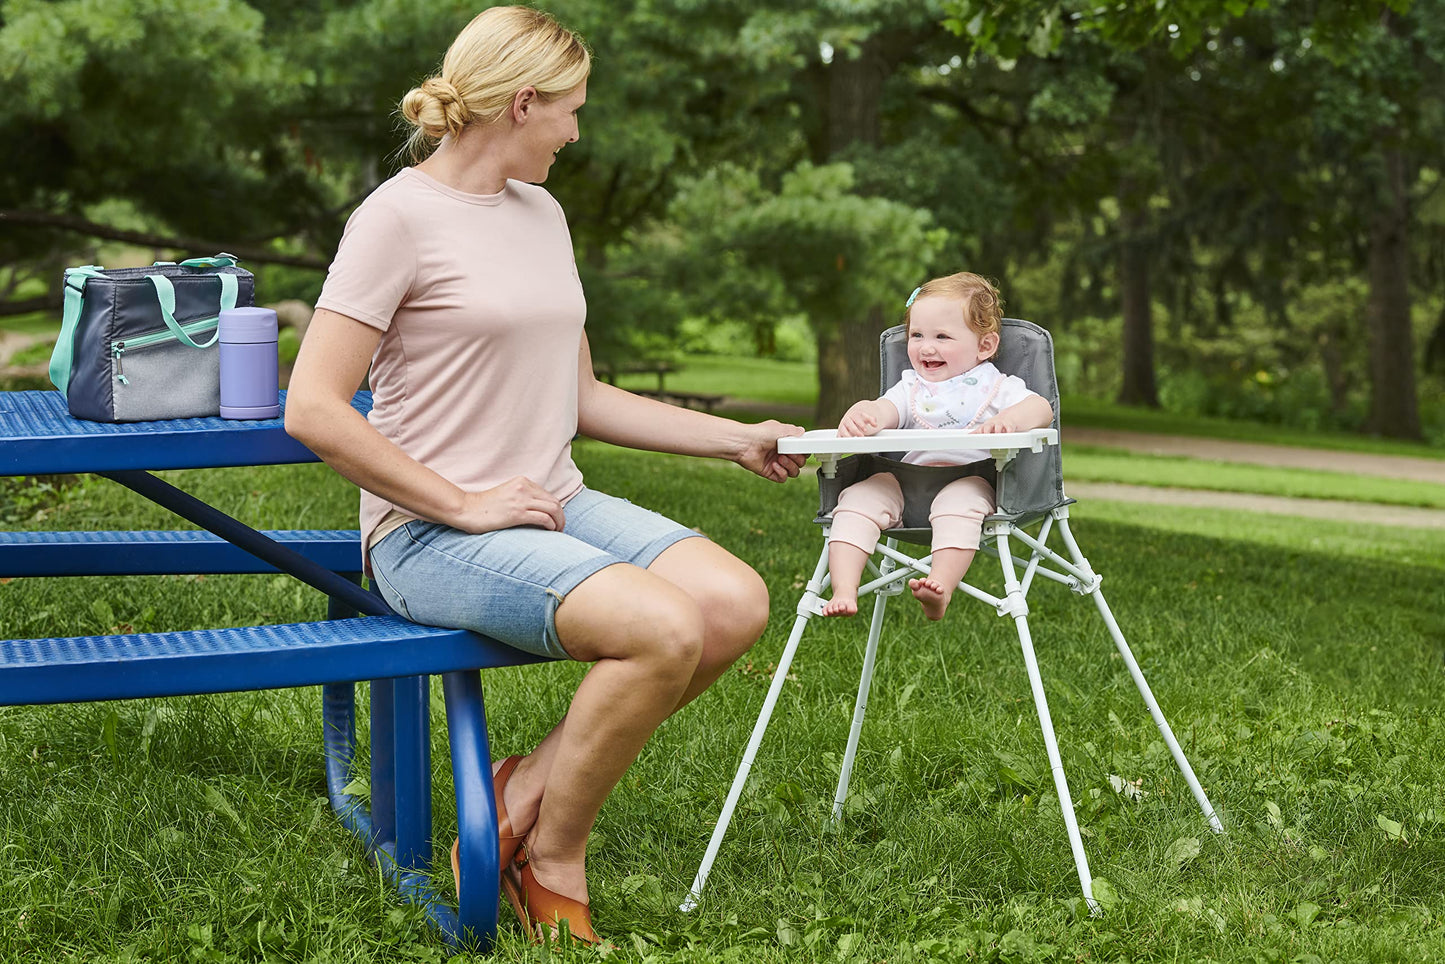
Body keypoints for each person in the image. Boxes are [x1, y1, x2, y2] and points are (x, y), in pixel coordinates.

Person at [283, 6, 805, 946]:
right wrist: (463, 504)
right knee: (661, 626)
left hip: (548, 501)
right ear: (522, 103)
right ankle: (552, 852)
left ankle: (521, 788)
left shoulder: (541, 212)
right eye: (569, 110)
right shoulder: (394, 219)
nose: (575, 132)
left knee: (732, 603)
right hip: (429, 534)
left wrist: (729, 438)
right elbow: (313, 407)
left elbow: (585, 395)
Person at [821, 272, 1053, 622]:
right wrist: (864, 412)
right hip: (905, 482)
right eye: (916, 335)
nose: (926, 347)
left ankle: (939, 586)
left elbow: (1042, 408)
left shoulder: (997, 387)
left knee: (960, 505)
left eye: (942, 336)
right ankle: (844, 588)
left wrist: (1011, 421)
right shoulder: (910, 386)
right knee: (855, 500)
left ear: (985, 346)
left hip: (972, 481)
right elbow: (885, 410)